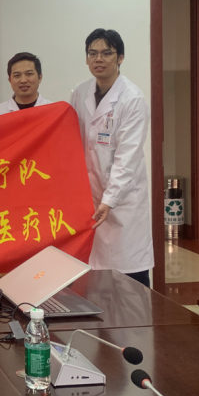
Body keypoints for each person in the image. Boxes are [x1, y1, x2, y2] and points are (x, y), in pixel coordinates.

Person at [69, 29, 152, 286]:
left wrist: (110, 199)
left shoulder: (133, 99)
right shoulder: (80, 92)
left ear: (120, 57)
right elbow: (68, 138)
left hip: (123, 201)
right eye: (92, 53)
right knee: (94, 275)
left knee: (129, 277)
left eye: (107, 53)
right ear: (86, 58)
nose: (99, 59)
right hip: (89, 197)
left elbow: (127, 158)